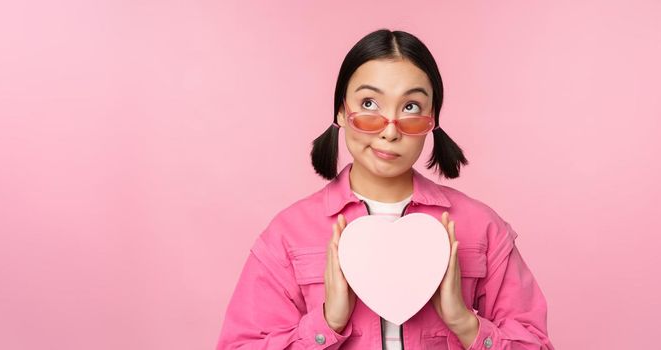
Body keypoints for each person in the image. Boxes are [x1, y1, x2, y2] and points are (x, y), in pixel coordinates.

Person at [216, 28, 556, 350]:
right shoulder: (287, 235)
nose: (389, 131)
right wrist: (326, 324)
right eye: (368, 105)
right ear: (340, 111)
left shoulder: (481, 228)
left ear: (432, 120)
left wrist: (464, 323)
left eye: (410, 107)